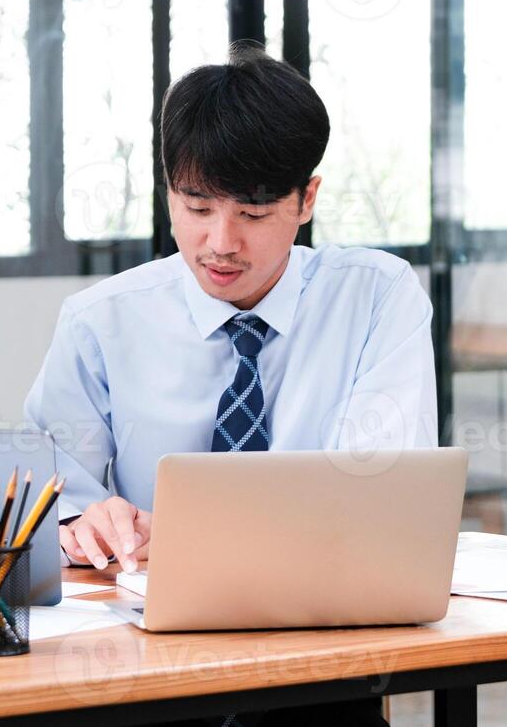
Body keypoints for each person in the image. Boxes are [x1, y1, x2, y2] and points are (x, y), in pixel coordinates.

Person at [24, 43, 436, 727]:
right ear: (169, 194)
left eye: (251, 214)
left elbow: (381, 493)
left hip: (320, 664)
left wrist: (209, 538)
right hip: (148, 672)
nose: (220, 243)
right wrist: (80, 524)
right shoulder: (101, 322)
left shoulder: (376, 298)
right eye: (196, 207)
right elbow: (50, 492)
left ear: (307, 199)